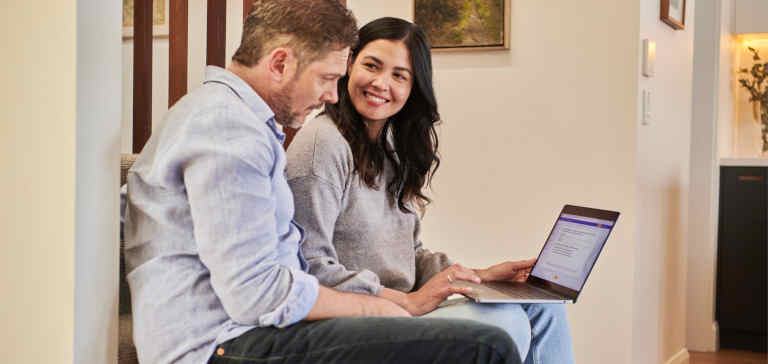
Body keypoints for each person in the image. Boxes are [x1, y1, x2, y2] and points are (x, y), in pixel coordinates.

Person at [124, 2, 522, 364]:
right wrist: (381, 307)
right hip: (220, 344)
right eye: (328, 78)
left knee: (507, 320)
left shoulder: (241, 124)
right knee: (486, 347)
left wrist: (462, 280)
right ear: (280, 63)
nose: (333, 95)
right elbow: (256, 293)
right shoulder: (228, 131)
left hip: (251, 330)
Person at [286, 17, 575, 364]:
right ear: (350, 65)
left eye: (399, 75)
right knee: (505, 322)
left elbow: (409, 253)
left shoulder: (390, 145)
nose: (381, 83)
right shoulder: (323, 145)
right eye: (372, 65)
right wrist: (406, 301)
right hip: (358, 319)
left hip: (404, 305)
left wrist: (477, 276)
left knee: (543, 308)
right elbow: (308, 266)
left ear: (413, 88)